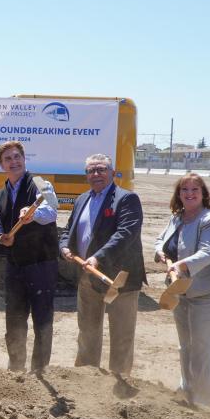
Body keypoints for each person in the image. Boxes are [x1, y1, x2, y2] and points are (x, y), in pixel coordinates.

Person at [59, 154, 146, 378]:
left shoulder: (127, 199)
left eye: (101, 169)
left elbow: (125, 234)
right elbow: (69, 229)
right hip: (88, 277)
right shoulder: (82, 199)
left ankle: (120, 381)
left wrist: (98, 257)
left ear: (112, 171)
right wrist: (64, 246)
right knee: (88, 332)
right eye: (91, 171)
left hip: (120, 279)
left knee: (121, 334)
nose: (96, 174)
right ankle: (88, 378)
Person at [154, 173, 210, 406]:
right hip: (182, 290)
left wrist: (182, 264)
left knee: (200, 346)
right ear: (178, 194)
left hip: (209, 292)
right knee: (186, 344)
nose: (189, 194)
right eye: (184, 190)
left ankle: (200, 402)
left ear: (203, 194)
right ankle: (186, 388)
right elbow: (161, 240)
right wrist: (160, 251)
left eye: (194, 190)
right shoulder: (177, 217)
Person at [0, 141, 59, 374]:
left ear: (24, 159)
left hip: (41, 262)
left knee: (42, 318)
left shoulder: (40, 184)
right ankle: (16, 366)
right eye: (8, 159)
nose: (14, 161)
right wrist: (1, 237)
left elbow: (51, 211)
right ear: (2, 165)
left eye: (17, 156)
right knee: (14, 318)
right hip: (15, 264)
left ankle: (39, 369)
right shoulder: (1, 194)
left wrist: (33, 214)